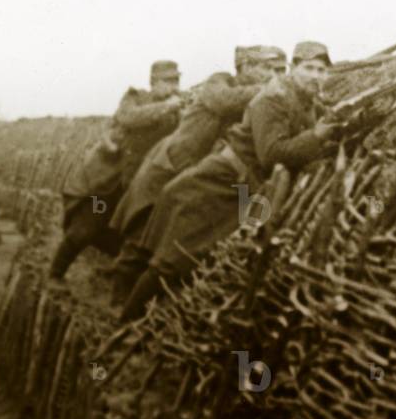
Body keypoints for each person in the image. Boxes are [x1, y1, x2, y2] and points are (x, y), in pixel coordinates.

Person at [120, 41, 337, 321]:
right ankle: (124, 325)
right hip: (217, 182)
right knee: (172, 260)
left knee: (204, 261)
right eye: (309, 68)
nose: (316, 76)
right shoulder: (272, 98)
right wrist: (317, 137)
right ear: (294, 69)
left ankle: (153, 323)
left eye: (322, 70)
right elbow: (271, 154)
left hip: (245, 189)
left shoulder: (306, 102)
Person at [108, 46, 277, 302]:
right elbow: (224, 100)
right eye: (265, 68)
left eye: (274, 70)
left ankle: (146, 291)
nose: (270, 74)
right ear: (244, 67)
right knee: (144, 224)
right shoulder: (219, 82)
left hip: (199, 171)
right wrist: (268, 90)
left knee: (175, 228)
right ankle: (120, 292)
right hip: (169, 164)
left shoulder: (257, 101)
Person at [50, 60, 184, 278]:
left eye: (176, 80)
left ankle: (112, 273)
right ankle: (55, 274)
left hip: (133, 186)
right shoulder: (135, 98)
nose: (174, 86)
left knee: (126, 234)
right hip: (104, 183)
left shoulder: (175, 111)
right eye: (168, 81)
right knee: (87, 226)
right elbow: (130, 117)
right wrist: (169, 105)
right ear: (153, 82)